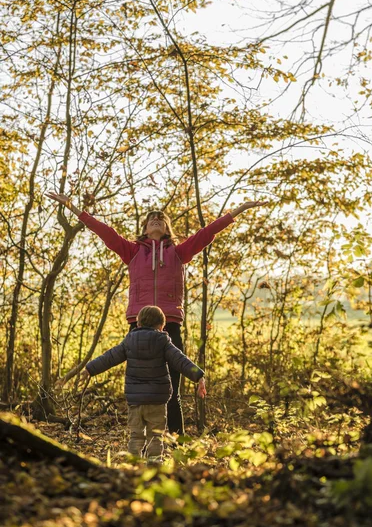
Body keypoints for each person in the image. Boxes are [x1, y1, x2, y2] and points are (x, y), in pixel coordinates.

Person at [46, 191, 265, 433]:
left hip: (169, 324)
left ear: (168, 227)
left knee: (172, 390)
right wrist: (75, 208)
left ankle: (176, 441)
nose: (156, 220)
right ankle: (141, 441)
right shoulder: (133, 252)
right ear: (145, 229)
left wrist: (238, 211)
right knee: (139, 387)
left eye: (161, 218)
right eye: (152, 219)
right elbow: (105, 232)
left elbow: (207, 234)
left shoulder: (179, 253)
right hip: (138, 325)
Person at [82, 305, 206, 461]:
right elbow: (181, 361)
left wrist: (89, 369)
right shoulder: (163, 341)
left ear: (138, 323)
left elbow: (109, 357)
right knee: (155, 436)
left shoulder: (129, 341)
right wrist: (199, 376)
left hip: (135, 401)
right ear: (162, 326)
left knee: (136, 436)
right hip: (157, 401)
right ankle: (154, 465)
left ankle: (133, 465)